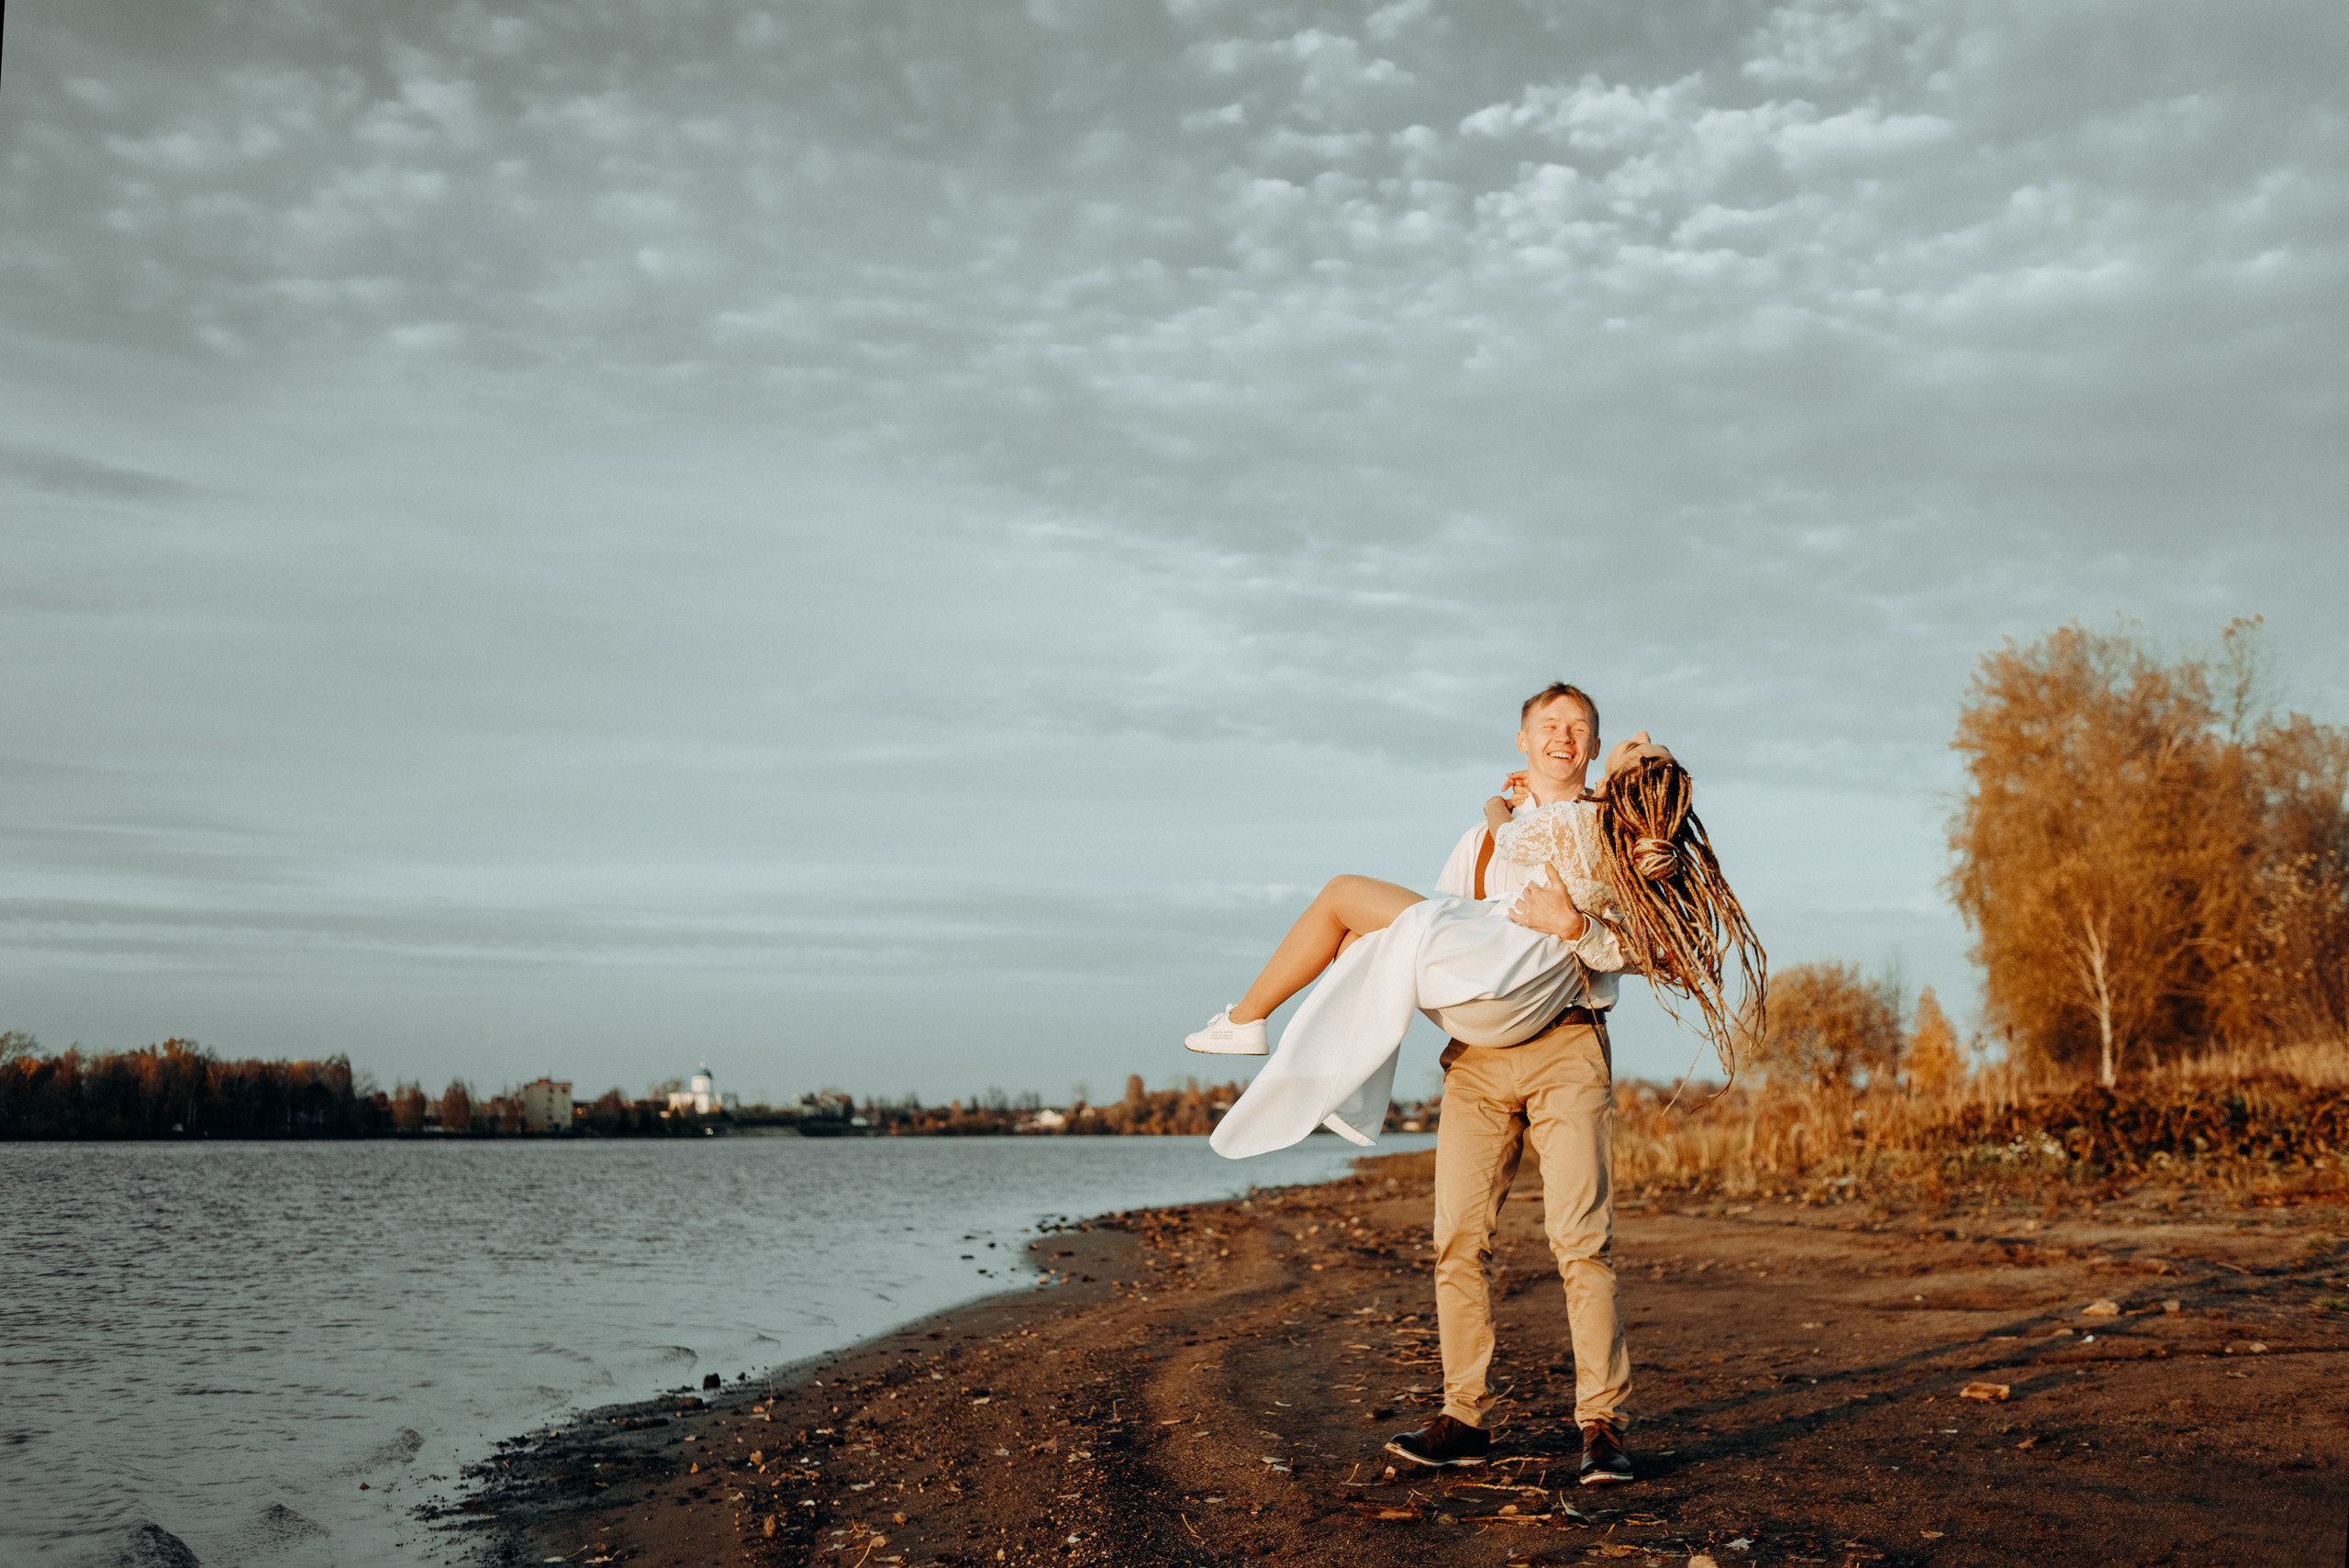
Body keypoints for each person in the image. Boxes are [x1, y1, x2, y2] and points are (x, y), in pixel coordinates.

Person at [1189, 684, 1762, 1485]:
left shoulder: (1630, 830)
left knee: (1582, 1241)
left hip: (1567, 1045)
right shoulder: (1486, 837)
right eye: (1550, 724)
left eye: (1580, 727)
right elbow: (1441, 937)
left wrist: (1577, 927)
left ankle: (1602, 1425)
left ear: (1596, 751)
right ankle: (1464, 1418)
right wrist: (1497, 819)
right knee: (1457, 1238)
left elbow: (1670, 954)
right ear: (1524, 740)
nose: (1565, 736)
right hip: (1478, 1059)